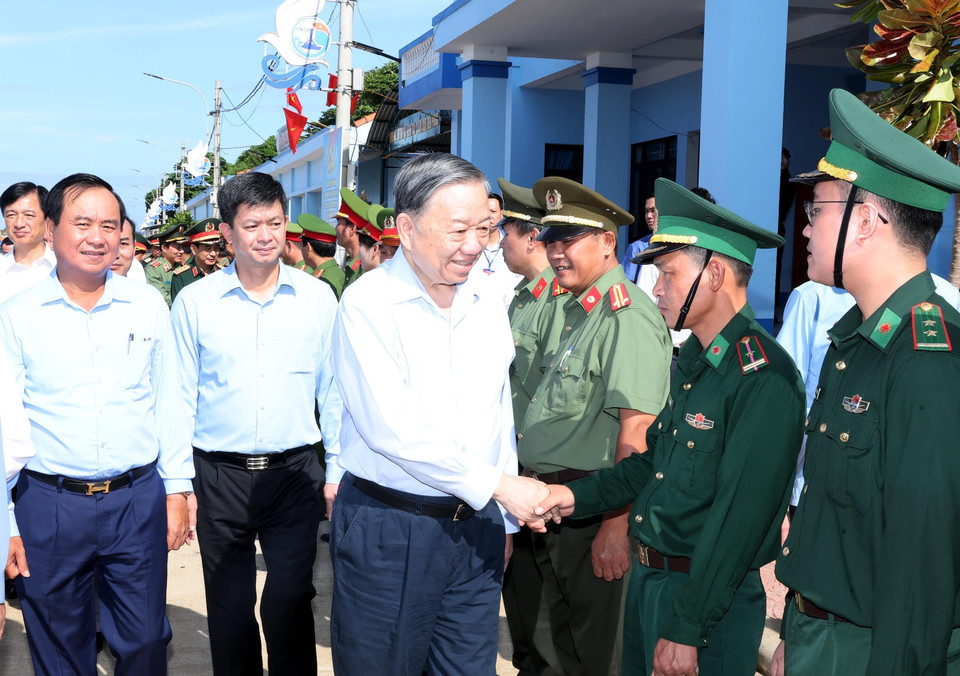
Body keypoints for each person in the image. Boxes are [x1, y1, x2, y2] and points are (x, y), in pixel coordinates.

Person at [535, 178, 804, 676]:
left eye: (669, 275)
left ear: (716, 274)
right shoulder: (698, 363)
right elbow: (648, 466)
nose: (656, 289)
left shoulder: (763, 377)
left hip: (703, 603)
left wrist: (687, 627)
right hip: (652, 583)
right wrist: (567, 500)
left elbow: (736, 525)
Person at [329, 153, 551, 675]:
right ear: (406, 229)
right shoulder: (368, 306)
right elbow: (395, 432)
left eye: (485, 228)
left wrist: (506, 519)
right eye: (457, 230)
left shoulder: (488, 298)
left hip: (476, 528)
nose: (474, 245)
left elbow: (498, 413)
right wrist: (501, 488)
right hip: (393, 526)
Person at [770, 89, 960, 676]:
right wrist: (796, 634)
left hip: (874, 651)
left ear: (868, 222)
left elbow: (925, 561)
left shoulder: (928, 356)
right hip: (822, 635)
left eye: (817, 209)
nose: (805, 227)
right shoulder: (855, 339)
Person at [0, 173, 195, 676]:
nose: (98, 237)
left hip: (136, 500)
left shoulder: (147, 304)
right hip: (49, 503)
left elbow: (168, 400)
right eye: (82, 223)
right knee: (60, 645)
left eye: (109, 225)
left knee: (147, 638)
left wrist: (177, 489)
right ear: (51, 230)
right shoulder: (16, 316)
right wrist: (6, 522)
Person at [170, 171, 341, 676]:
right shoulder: (195, 304)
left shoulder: (317, 300)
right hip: (218, 474)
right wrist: (179, 485)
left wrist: (336, 471)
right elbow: (178, 399)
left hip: (295, 475)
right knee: (228, 604)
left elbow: (333, 394)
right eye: (252, 225)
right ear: (227, 234)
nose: (266, 235)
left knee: (289, 597)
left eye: (274, 222)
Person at [516, 176, 672, 676]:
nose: (556, 252)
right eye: (550, 240)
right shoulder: (574, 310)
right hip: (552, 507)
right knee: (552, 652)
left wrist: (615, 524)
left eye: (569, 240)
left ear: (609, 242)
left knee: (597, 656)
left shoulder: (626, 317)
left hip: (592, 510)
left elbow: (638, 431)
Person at [776, 275, 960, 534]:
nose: (806, 232)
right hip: (817, 482)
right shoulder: (813, 296)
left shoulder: (947, 297)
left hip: (902, 491)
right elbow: (789, 395)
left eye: (815, 229)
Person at [496, 176, 567, 675]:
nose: (500, 242)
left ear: (531, 237)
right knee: (519, 593)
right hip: (513, 467)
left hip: (542, 474)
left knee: (544, 606)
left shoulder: (559, 301)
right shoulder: (522, 295)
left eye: (506, 231)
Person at [0, 181, 56, 303]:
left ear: (47, 220)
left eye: (29, 215)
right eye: (11, 215)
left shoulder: (66, 267)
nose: (19, 223)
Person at [170, 218, 225, 303]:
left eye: (216, 248)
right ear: (194, 249)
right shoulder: (181, 277)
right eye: (208, 248)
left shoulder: (224, 273)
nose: (213, 253)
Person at [299, 213, 345, 299]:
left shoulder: (323, 280)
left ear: (308, 248)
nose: (301, 249)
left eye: (301, 245)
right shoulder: (338, 274)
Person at [144, 224, 188, 307]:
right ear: (164, 248)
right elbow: (162, 298)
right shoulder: (154, 269)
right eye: (178, 248)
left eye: (182, 247)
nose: (181, 251)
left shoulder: (182, 267)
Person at [337, 188, 370, 288]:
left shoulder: (364, 268)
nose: (336, 228)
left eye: (339, 223)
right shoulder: (354, 266)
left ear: (352, 229)